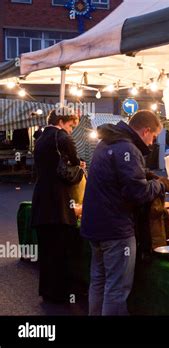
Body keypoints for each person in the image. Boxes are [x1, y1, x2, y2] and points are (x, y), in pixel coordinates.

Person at [80, 110, 169, 316]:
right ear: (146, 130)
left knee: (99, 282)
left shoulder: (109, 142)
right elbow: (137, 193)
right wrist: (159, 185)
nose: (151, 143)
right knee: (116, 289)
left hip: (95, 225)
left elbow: (119, 177)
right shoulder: (126, 148)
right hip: (115, 229)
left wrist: (146, 175)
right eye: (153, 137)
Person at [31, 107, 85, 303]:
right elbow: (73, 166)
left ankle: (47, 291)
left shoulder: (41, 138)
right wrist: (81, 168)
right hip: (59, 202)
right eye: (71, 125)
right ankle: (61, 293)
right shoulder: (62, 137)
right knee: (60, 250)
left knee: (46, 251)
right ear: (62, 121)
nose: (71, 130)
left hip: (41, 199)